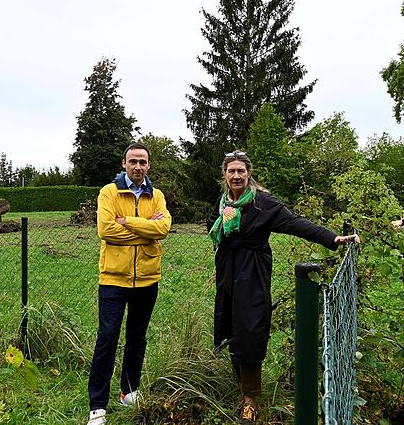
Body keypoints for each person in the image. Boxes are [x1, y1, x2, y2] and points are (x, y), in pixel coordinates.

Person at [207, 151, 358, 424]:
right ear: (225, 175)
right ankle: (241, 388)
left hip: (252, 272)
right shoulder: (222, 203)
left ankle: (251, 400)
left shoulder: (263, 203)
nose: (237, 175)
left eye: (241, 171)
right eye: (232, 171)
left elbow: (294, 222)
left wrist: (331, 238)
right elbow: (216, 230)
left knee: (250, 329)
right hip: (228, 272)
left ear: (248, 173)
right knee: (230, 326)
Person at [87, 142, 172, 425]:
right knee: (107, 338)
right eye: (133, 161)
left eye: (143, 162)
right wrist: (146, 228)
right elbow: (106, 230)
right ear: (124, 164)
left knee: (137, 337)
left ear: (149, 166)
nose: (138, 166)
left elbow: (164, 228)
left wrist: (128, 221)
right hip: (113, 278)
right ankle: (97, 406)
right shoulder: (108, 193)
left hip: (147, 278)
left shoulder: (156, 195)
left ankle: (128, 391)